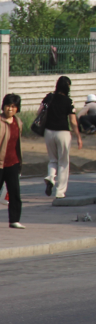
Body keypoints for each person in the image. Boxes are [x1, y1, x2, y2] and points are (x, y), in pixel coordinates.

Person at [41, 76, 81, 199]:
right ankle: (60, 192)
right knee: (63, 163)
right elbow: (73, 121)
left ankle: (50, 177)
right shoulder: (69, 101)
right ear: (68, 87)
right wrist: (78, 136)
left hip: (48, 132)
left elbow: (39, 112)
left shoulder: (49, 97)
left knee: (53, 159)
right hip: (63, 133)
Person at [0, 94, 24, 229]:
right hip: (0, 163)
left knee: (14, 193)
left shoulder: (18, 122)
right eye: (8, 106)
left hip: (13, 162)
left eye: (13, 106)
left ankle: (14, 220)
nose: (10, 109)